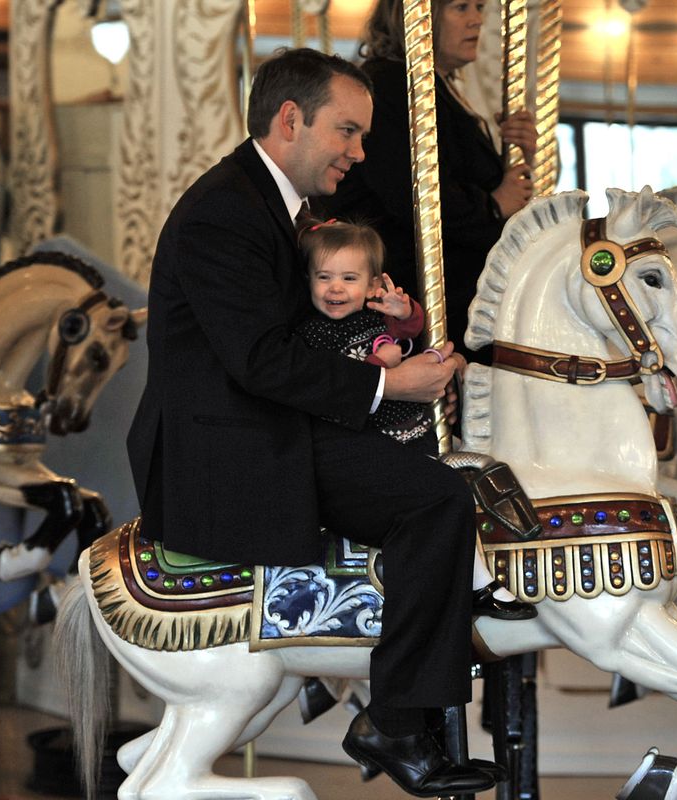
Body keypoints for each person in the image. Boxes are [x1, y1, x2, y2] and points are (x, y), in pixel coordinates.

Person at [126, 48, 496, 797]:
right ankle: (395, 720)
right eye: (349, 132)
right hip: (234, 444)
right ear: (291, 120)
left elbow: (306, 333)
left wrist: (397, 325)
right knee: (437, 500)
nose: (360, 154)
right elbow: (259, 359)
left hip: (269, 422)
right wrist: (390, 383)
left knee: (444, 482)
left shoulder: (276, 209)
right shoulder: (225, 212)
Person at [296, 217, 537, 619]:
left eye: (349, 278)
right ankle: (475, 583)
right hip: (372, 435)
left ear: (373, 285)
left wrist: (404, 311)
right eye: (324, 278)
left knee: (468, 472)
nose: (335, 288)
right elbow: (336, 386)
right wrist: (379, 366)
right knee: (442, 492)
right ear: (309, 281)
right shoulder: (315, 334)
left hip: (412, 428)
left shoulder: (374, 315)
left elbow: (411, 327)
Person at [320, 0, 538, 364]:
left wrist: (518, 159)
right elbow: (412, 193)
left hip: (454, 287)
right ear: (418, 19)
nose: (476, 21)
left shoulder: (439, 86)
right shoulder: (395, 85)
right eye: (461, 8)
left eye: (480, 8)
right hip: (414, 289)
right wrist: (493, 204)